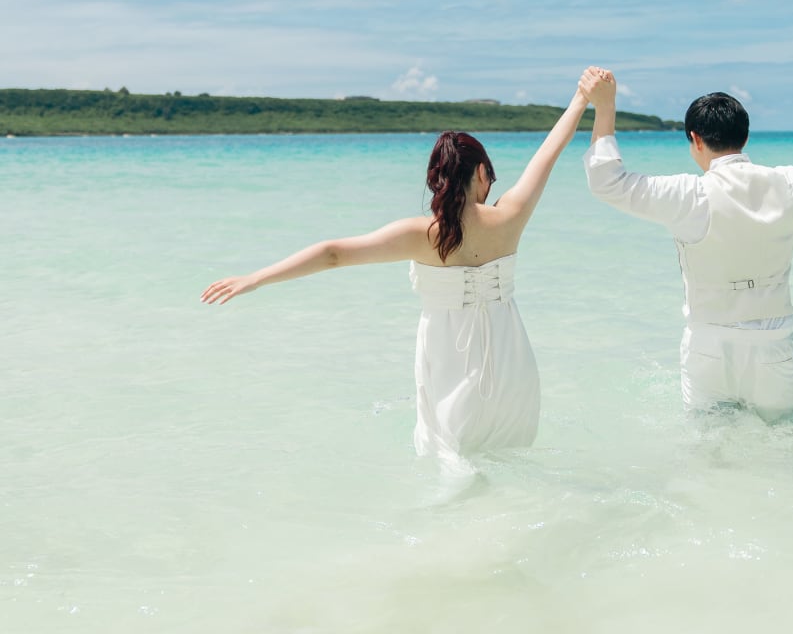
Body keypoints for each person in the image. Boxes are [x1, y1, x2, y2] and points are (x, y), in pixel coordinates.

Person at [201, 75, 593, 463]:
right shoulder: (509, 217)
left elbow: (333, 253)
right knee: (509, 456)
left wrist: (256, 278)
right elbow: (548, 153)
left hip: (450, 364)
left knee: (454, 461)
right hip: (513, 363)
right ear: (480, 173)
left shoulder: (421, 234)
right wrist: (580, 98)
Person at [580, 71, 793, 424]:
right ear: (745, 136)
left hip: (708, 344)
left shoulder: (688, 196)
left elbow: (607, 183)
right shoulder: (790, 185)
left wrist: (605, 108)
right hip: (774, 343)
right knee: (782, 443)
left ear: (695, 139)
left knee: (710, 447)